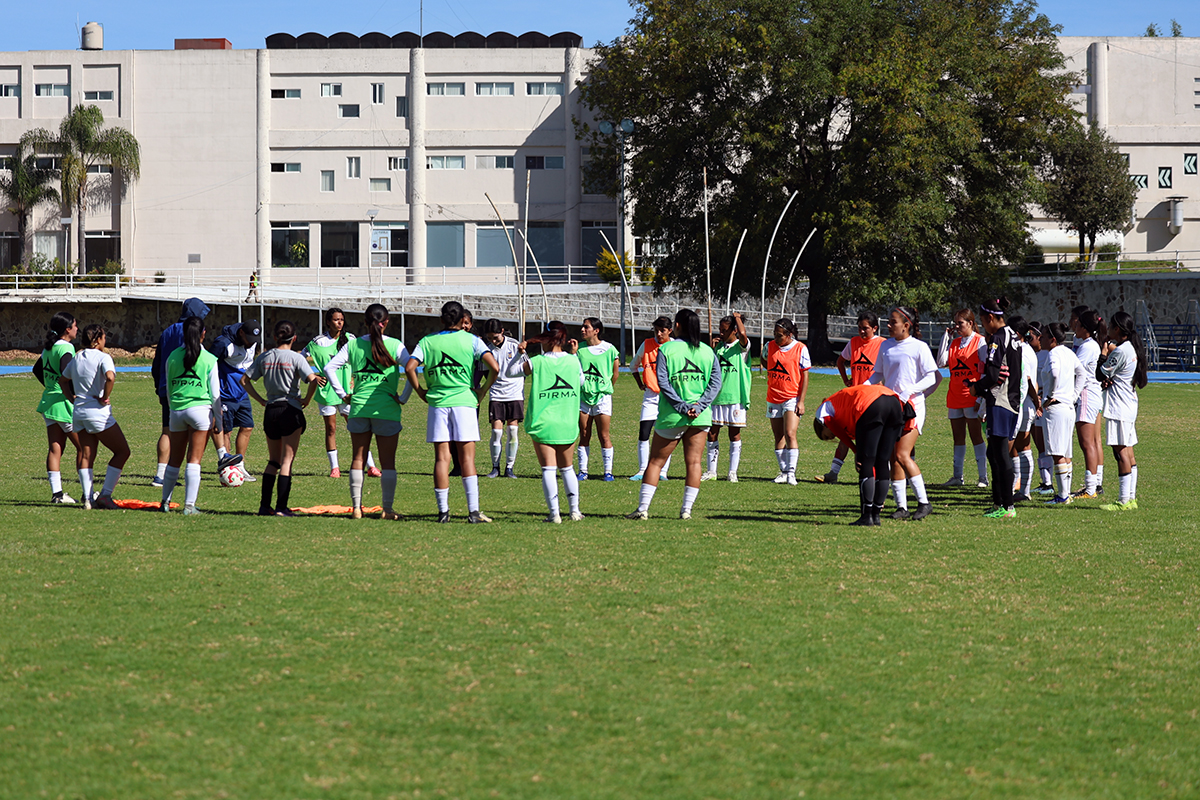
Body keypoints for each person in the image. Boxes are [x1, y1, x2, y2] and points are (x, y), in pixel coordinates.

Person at [406, 301, 500, 523]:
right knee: (467, 459)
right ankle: (473, 512)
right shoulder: (472, 340)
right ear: (462, 320)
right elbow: (494, 367)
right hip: (465, 403)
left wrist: (420, 391)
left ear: (441, 319)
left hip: (438, 403)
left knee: (442, 459)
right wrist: (482, 391)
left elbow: (410, 367)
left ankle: (443, 513)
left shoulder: (428, 341)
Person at [626, 309, 722, 520]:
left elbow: (662, 381)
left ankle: (642, 509)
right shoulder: (707, 351)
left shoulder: (667, 349)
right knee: (694, 463)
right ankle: (686, 511)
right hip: (700, 417)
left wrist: (680, 406)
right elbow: (716, 383)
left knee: (655, 463)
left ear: (677, 326)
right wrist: (699, 406)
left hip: (672, 416)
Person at [324, 304, 411, 520]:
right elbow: (411, 369)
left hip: (359, 408)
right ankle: (387, 510)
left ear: (365, 322)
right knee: (388, 462)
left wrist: (342, 393)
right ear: (387, 322)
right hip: (387, 410)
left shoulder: (353, 344)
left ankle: (356, 509)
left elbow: (329, 368)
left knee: (358, 458)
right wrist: (403, 397)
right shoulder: (396, 345)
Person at [244, 320, 327, 516]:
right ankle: (282, 507)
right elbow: (313, 379)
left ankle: (265, 506)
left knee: (273, 461)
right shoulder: (297, 358)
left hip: (271, 410)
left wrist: (261, 400)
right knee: (287, 461)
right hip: (290, 409)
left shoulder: (264, 356)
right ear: (294, 338)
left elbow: (244, 380)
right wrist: (307, 399)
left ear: (274, 337)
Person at [507, 322, 585, 522]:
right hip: (567, 422)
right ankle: (574, 511)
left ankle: (554, 514)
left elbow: (510, 372)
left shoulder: (537, 361)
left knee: (548, 469)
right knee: (567, 468)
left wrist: (519, 353)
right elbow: (582, 382)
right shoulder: (573, 361)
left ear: (547, 340)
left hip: (544, 423)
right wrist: (574, 355)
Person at [150, 298, 233, 487]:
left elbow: (157, 362)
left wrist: (159, 385)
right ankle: (221, 458)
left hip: (167, 387)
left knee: (167, 431)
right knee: (204, 423)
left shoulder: (167, 331)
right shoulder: (189, 331)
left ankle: (160, 475)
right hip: (191, 387)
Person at [868, 307, 940, 520]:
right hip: (891, 407)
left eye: (893, 322)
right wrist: (860, 388)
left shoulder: (919, 347)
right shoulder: (886, 346)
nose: (888, 326)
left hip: (912, 408)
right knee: (893, 456)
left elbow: (932, 377)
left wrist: (911, 390)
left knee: (902, 454)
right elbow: (878, 374)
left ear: (906, 325)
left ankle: (924, 503)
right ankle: (901, 507)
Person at [813, 384, 916, 526]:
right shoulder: (841, 408)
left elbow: (838, 431)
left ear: (821, 427)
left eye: (827, 436)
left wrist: (856, 451)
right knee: (882, 461)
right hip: (894, 402)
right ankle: (876, 514)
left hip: (871, 404)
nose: (832, 437)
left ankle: (867, 516)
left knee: (866, 463)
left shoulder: (822, 412)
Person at [302, 308, 381, 479]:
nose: (340, 323)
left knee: (358, 428)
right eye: (336, 320)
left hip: (348, 392)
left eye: (342, 320)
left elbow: (361, 358)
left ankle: (371, 466)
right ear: (328, 322)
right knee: (331, 429)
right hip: (327, 392)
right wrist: (312, 375)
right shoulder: (318, 342)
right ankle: (334, 468)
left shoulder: (351, 339)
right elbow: (301, 359)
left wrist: (355, 376)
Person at [965, 297, 1024, 519]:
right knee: (994, 452)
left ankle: (1007, 506)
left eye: (982, 320)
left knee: (1000, 453)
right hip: (1011, 399)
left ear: (990, 317)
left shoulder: (998, 338)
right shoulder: (1013, 336)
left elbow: (992, 375)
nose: (983, 325)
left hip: (1001, 401)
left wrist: (975, 388)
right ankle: (998, 501)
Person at [61, 324, 131, 510]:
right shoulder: (103, 357)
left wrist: (71, 397)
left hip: (79, 413)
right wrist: (104, 396)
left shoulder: (77, 357)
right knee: (123, 451)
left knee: (86, 455)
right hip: (97, 413)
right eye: (104, 337)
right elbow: (110, 377)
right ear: (97, 339)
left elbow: (63, 380)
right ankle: (106, 494)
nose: (105, 341)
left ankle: (87, 498)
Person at [160, 316, 223, 515]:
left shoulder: (172, 357)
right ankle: (189, 506)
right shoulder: (210, 359)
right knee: (194, 460)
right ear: (203, 334)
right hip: (200, 412)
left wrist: (172, 410)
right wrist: (219, 421)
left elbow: (169, 388)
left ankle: (165, 502)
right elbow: (215, 395)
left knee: (174, 460)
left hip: (177, 411)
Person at [818, 310, 882, 483]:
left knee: (873, 438)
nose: (861, 331)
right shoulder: (853, 343)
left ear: (875, 328)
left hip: (873, 399)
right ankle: (833, 473)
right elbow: (840, 361)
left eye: (865, 328)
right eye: (859, 328)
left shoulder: (882, 344)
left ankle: (879, 475)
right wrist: (846, 379)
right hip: (853, 399)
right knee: (846, 435)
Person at [1097, 311, 1147, 511]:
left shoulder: (1120, 350)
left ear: (1117, 328)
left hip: (1120, 407)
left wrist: (1103, 352)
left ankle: (1123, 500)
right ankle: (1131, 498)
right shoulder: (1130, 348)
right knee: (1129, 452)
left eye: (1110, 326)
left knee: (1121, 452)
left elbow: (1100, 373)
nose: (1108, 329)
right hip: (1128, 404)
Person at [936, 308, 989, 488]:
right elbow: (941, 362)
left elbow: (984, 371)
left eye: (960, 323)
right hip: (955, 395)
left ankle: (983, 478)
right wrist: (946, 338)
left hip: (971, 396)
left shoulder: (980, 342)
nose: (957, 326)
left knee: (976, 437)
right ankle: (957, 476)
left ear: (971, 323)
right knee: (958, 438)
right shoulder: (954, 342)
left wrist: (980, 397)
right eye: (955, 323)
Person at [1038, 322, 1087, 505]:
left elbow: (1055, 374)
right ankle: (1065, 494)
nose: (1040, 339)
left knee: (1057, 452)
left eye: (1043, 336)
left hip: (1056, 407)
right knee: (1065, 451)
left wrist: (1050, 395)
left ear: (1052, 339)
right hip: (1068, 407)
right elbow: (1081, 373)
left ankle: (1063, 496)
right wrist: (1073, 395)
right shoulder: (1069, 352)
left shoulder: (1053, 353)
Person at [37, 311, 81, 504]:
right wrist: (73, 396)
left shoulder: (48, 347)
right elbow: (66, 376)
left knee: (55, 449)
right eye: (75, 325)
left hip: (49, 402)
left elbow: (37, 369)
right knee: (84, 448)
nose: (77, 329)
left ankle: (57, 495)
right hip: (64, 404)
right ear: (67, 329)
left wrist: (50, 387)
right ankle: (88, 492)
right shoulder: (67, 348)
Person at [761, 317, 810, 485]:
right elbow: (764, 359)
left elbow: (804, 377)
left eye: (779, 335)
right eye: (774, 334)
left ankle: (791, 473)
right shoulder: (769, 347)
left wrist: (801, 401)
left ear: (789, 335)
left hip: (791, 398)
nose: (776, 338)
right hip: (773, 397)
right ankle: (783, 471)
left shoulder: (800, 349)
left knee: (790, 433)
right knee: (778, 436)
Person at [211, 319, 261, 483]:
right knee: (227, 431)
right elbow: (209, 364)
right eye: (249, 340)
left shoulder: (251, 343)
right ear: (241, 334)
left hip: (242, 393)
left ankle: (239, 466)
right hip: (224, 395)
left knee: (247, 426)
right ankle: (228, 468)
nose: (252, 344)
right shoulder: (223, 344)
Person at [704, 312, 751, 482]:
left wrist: (737, 318)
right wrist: (711, 349)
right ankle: (711, 471)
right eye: (720, 330)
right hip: (717, 398)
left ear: (734, 331)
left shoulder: (742, 347)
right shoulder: (718, 348)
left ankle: (732, 472)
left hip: (735, 398)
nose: (721, 333)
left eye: (724, 330)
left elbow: (744, 335)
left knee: (734, 434)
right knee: (712, 433)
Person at [572, 317, 619, 481]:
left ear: (596, 330)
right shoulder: (579, 349)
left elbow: (615, 373)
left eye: (586, 327)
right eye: (582, 327)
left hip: (602, 397)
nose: (582, 330)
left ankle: (608, 472)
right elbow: (573, 370)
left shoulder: (610, 349)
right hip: (583, 397)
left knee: (604, 435)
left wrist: (604, 388)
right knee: (584, 434)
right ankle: (583, 471)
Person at [629, 316, 675, 481]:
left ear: (670, 330)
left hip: (669, 397)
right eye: (656, 330)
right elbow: (633, 365)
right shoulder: (647, 344)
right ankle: (642, 470)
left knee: (667, 434)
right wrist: (640, 383)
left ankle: (663, 471)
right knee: (644, 433)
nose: (659, 333)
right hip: (650, 396)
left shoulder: (675, 346)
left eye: (662, 330)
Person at [481, 319, 524, 479]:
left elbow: (526, 369)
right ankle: (495, 467)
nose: (493, 341)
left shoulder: (515, 345)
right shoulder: (486, 350)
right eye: (490, 338)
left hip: (514, 394)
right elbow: (485, 372)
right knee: (496, 432)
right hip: (496, 394)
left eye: (496, 338)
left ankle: (510, 468)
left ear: (502, 331)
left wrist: (521, 354)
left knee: (512, 431)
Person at [1071, 307, 1106, 499]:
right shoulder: (1091, 344)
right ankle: (1093, 484)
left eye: (1077, 324)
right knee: (1092, 442)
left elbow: (1077, 370)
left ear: (1085, 327)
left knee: (1087, 443)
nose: (1074, 326)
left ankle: (1090, 488)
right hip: (1092, 395)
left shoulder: (1087, 346)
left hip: (1085, 395)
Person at [1006, 316, 1041, 502]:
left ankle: (1023, 488)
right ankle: (1018, 486)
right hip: (1022, 402)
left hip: (1023, 403)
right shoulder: (1023, 349)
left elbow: (1027, 381)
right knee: (1018, 446)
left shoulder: (1023, 351)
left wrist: (1036, 403)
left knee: (1019, 445)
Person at [1027, 321, 1056, 495]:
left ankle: (1049, 482)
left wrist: (1042, 394)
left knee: (1043, 443)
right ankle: (1045, 482)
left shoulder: (1047, 355)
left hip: (1043, 402)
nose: (1029, 340)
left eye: (1032, 337)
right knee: (1037, 442)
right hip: (1033, 400)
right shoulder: (1030, 354)